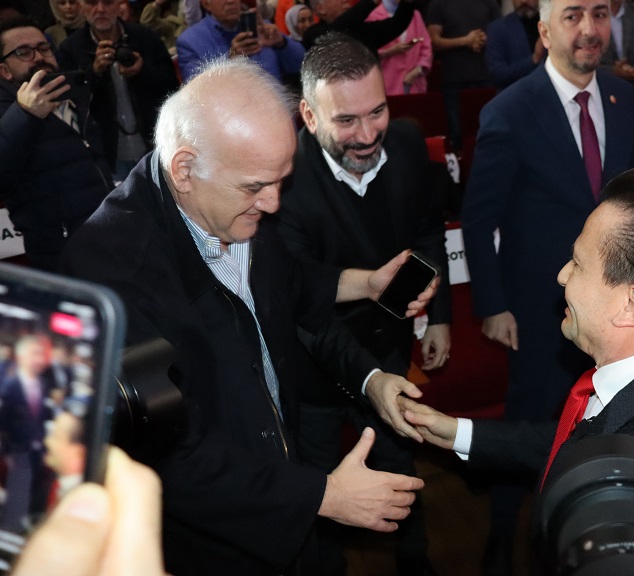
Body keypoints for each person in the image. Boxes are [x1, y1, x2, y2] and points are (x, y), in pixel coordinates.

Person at [60, 56, 432, 576]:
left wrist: (366, 294)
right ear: (184, 169)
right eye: (256, 187)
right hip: (208, 541)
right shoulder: (106, 270)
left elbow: (293, 288)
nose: (274, 203)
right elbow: (166, 452)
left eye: (281, 180)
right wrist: (320, 496)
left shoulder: (235, 202)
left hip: (282, 484)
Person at [401, 166, 634, 576]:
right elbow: (581, 440)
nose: (562, 275)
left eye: (578, 264)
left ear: (631, 305)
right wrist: (458, 432)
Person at [459, 0, 634, 570]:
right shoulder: (509, 110)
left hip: (617, 307)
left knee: (610, 422)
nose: (589, 28)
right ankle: (501, 536)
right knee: (530, 424)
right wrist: (493, 305)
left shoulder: (625, 98)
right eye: (572, 16)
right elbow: (477, 219)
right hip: (539, 310)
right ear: (543, 30)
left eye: (599, 13)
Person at [279, 33, 450, 576]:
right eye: (347, 121)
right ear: (309, 116)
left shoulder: (406, 141)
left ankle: (415, 559)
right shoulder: (281, 180)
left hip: (390, 350)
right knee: (323, 491)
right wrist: (368, 371)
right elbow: (298, 292)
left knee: (402, 470)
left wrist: (436, 314)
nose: (369, 134)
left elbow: (428, 230)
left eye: (377, 111)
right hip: (313, 369)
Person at [0, 18, 112, 271]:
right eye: (23, 52)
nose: (39, 57)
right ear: (4, 70)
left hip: (108, 234)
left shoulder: (73, 95)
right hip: (60, 251)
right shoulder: (9, 112)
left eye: (44, 48)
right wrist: (25, 114)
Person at [58, 0, 178, 180]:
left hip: (155, 143)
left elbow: (172, 88)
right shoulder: (70, 48)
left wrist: (142, 71)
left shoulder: (144, 37)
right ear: (81, 6)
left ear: (119, 5)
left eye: (107, 2)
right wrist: (94, 73)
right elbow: (69, 103)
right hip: (107, 152)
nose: (100, 9)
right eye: (91, 2)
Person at [12, 447, 167, 576]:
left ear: (78, 452)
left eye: (57, 437)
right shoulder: (46, 483)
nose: (48, 442)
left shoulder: (71, 492)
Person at [425, 0, 500, 149]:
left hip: (486, 79)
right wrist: (465, 41)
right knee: (457, 136)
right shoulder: (438, 3)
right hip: (454, 81)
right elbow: (433, 41)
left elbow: (501, 31)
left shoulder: (489, 2)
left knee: (491, 132)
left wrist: (483, 39)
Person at [175, 0, 304, 83]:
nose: (231, 1)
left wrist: (282, 43)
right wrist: (230, 61)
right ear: (206, 4)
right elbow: (196, 91)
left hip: (277, 109)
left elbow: (301, 65)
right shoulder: (189, 42)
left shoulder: (262, 28)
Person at [0, 336, 52, 531]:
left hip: (38, 452)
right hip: (17, 453)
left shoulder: (42, 384)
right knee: (16, 501)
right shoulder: (8, 386)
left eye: (41, 354)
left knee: (33, 496)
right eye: (34, 354)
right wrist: (7, 454)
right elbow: (2, 424)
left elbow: (41, 417)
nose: (39, 359)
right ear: (20, 357)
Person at [366, 0, 433, 95]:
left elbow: (426, 46)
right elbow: (365, 54)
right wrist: (389, 52)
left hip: (414, 84)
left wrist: (418, 69)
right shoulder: (372, 15)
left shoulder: (415, 15)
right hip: (386, 85)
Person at [302, 0, 416, 52]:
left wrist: (407, 3)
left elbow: (396, 25)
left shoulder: (358, 28)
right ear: (320, 8)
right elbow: (336, 30)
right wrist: (371, 2)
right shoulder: (313, 35)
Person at [484, 0, 545, 91]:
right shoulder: (497, 29)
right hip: (515, 94)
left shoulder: (551, 25)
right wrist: (534, 59)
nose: (523, 1)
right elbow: (496, 75)